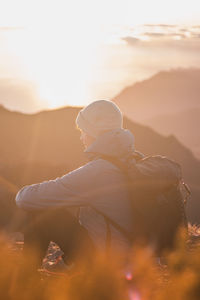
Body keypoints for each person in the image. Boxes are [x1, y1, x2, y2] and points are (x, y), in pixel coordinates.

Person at [15, 100, 134, 269]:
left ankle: (23, 284)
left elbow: (26, 199)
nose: (81, 137)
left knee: (41, 211)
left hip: (107, 263)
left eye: (83, 131)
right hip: (133, 259)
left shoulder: (98, 171)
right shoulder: (131, 160)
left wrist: (20, 192)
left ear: (95, 133)